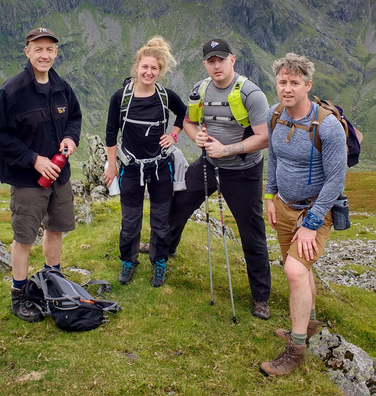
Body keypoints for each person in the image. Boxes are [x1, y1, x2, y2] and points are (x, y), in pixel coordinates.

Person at [168, 38, 272, 319]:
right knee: (177, 203)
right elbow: (189, 122)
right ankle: (164, 251)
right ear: (205, 64)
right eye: (211, 61)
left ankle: (261, 298)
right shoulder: (199, 90)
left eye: (221, 60)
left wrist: (227, 149)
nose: (216, 65)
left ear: (232, 60)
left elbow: (264, 138)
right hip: (208, 164)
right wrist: (196, 138)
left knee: (252, 234)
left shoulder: (251, 94)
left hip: (244, 172)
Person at [0, 27, 82, 322]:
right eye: (38, 49)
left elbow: (75, 117)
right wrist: (33, 160)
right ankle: (19, 295)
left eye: (49, 49)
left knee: (56, 228)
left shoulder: (61, 86)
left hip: (60, 177)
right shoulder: (12, 91)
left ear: (56, 52)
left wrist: (70, 138)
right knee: (24, 238)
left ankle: (53, 281)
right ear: (27, 51)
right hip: (28, 181)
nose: (44, 55)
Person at [260, 53, 346, 376]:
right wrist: (270, 196)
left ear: (308, 85)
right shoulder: (275, 115)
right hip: (282, 206)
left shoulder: (328, 126)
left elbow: (336, 180)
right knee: (297, 269)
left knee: (295, 271)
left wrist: (311, 223)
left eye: (294, 82)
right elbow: (275, 157)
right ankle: (308, 324)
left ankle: (296, 351)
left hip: (314, 211)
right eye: (282, 82)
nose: (287, 88)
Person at [103, 36, 186, 287]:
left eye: (154, 68)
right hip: (129, 168)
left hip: (160, 167)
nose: (149, 72)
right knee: (130, 221)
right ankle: (128, 262)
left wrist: (173, 135)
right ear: (136, 67)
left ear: (160, 71)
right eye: (145, 67)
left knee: (160, 220)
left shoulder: (165, 96)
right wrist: (112, 166)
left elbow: (184, 113)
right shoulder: (121, 97)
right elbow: (110, 133)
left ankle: (159, 263)